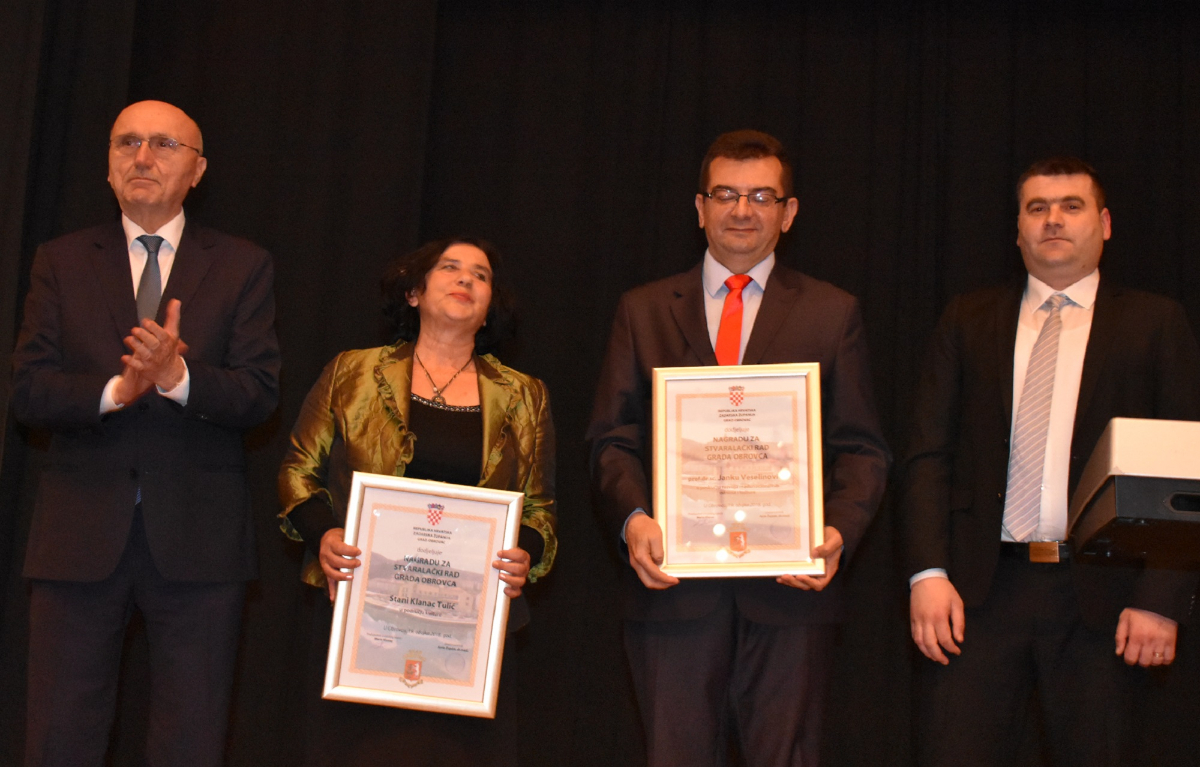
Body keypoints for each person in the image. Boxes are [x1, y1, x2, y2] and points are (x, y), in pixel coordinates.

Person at [586, 129, 890, 767]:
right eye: (725, 194)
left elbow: (862, 448)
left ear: (789, 211)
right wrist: (634, 518)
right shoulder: (643, 310)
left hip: (789, 593)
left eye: (761, 196)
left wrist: (837, 530)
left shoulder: (833, 312)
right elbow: (613, 438)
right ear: (699, 208)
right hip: (673, 591)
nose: (742, 210)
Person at [902, 157, 1200, 766]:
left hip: (1107, 597)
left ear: (1105, 224)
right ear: (1017, 230)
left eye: (1071, 206)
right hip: (978, 595)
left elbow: (1185, 469)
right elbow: (928, 455)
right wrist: (927, 574)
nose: (1053, 220)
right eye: (1036, 208)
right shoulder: (967, 318)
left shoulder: (1155, 323)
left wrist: (1160, 596)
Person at [11, 100, 280, 767]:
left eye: (163, 144)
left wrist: (177, 377)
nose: (141, 157)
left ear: (198, 170)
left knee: (190, 739)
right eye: (126, 142)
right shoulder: (61, 260)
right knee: (60, 736)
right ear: (107, 165)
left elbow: (258, 393)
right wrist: (116, 391)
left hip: (199, 539)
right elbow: (29, 390)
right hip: (78, 536)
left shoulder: (243, 264)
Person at [278, 236, 556, 766]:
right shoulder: (352, 372)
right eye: (450, 268)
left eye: (481, 275)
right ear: (413, 293)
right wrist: (325, 535)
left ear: (489, 306)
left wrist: (525, 554)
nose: (466, 279)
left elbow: (539, 509)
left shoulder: (525, 395)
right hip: (362, 617)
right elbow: (297, 472)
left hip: (468, 631)